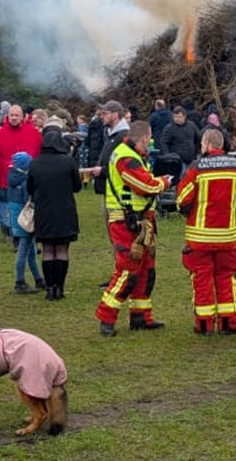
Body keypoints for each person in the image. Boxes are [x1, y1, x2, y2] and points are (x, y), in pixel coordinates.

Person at [95, 121, 170, 336]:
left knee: (146, 270)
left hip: (142, 221)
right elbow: (146, 186)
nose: (150, 144)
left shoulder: (133, 155)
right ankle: (106, 318)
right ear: (144, 137)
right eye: (150, 139)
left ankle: (141, 316)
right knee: (128, 271)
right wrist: (164, 182)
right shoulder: (125, 157)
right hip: (126, 222)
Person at [176, 128, 236, 335]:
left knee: (201, 278)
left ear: (207, 144)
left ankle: (204, 324)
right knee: (226, 276)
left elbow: (182, 200)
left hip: (199, 236)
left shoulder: (196, 168)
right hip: (227, 235)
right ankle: (229, 323)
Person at [28, 124, 83, 300]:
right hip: (65, 210)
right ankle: (59, 287)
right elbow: (77, 186)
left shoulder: (35, 163)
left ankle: (50, 288)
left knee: (47, 250)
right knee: (61, 249)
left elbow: (30, 188)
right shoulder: (68, 161)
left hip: (44, 210)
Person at [7, 151, 43, 292]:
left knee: (31, 250)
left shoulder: (11, 177)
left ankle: (38, 278)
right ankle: (19, 281)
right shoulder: (24, 181)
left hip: (16, 219)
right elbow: (28, 200)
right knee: (24, 250)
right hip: (25, 220)